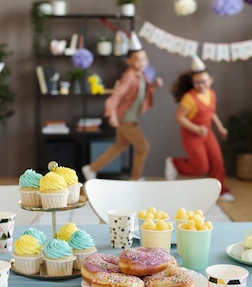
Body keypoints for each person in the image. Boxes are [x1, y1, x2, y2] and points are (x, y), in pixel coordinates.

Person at [81, 32, 163, 182]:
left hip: (130, 118)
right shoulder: (130, 77)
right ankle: (135, 179)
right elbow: (116, 96)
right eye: (137, 60)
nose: (142, 63)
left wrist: (154, 85)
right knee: (143, 148)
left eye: (144, 59)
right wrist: (111, 113)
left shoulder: (141, 75)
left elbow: (142, 90)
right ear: (129, 61)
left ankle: (91, 168)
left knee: (119, 146)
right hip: (127, 119)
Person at [165, 55, 234, 202]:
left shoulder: (212, 94)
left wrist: (220, 127)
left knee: (217, 162)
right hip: (192, 135)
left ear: (210, 80)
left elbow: (211, 113)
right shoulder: (189, 98)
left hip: (207, 133)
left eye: (203, 82)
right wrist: (196, 129)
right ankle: (175, 163)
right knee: (200, 167)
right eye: (196, 83)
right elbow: (179, 118)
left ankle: (220, 191)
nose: (201, 85)